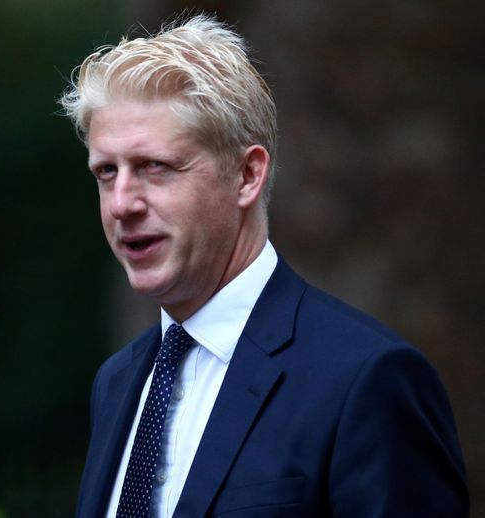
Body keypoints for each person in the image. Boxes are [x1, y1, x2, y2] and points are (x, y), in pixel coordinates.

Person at [58, 14, 469, 518]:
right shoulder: (119, 382)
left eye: (155, 167)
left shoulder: (367, 380)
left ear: (248, 175)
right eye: (106, 172)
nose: (122, 203)